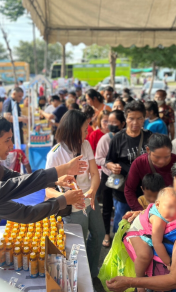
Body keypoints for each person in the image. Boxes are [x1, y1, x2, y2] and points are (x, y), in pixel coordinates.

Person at [0, 113, 88, 263]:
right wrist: (63, 198)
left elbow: (16, 178)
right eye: (7, 140)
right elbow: (26, 213)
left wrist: (56, 180)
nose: (12, 145)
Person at [106, 155, 176, 292]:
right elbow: (162, 209)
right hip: (154, 276)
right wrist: (146, 215)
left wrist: (130, 282)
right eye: (175, 181)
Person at [45, 110, 105, 279]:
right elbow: (47, 189)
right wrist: (67, 198)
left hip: (90, 201)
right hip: (73, 208)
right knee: (78, 245)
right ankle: (80, 279)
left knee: (99, 234)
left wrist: (92, 190)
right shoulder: (55, 154)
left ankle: (92, 274)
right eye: (85, 128)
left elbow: (94, 173)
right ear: (73, 129)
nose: (88, 131)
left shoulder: (85, 145)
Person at [106, 100, 152, 232]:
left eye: (139, 118)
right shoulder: (118, 138)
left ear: (144, 118)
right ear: (126, 118)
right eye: (131, 118)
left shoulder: (149, 137)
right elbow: (108, 160)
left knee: (143, 226)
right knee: (121, 225)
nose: (135, 122)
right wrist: (112, 166)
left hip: (145, 192)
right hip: (123, 191)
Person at [127, 187, 176, 292]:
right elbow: (157, 243)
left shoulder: (164, 212)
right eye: (170, 207)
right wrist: (168, 263)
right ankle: (139, 282)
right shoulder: (158, 221)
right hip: (137, 232)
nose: (173, 212)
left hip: (146, 232)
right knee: (145, 255)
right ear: (157, 205)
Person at [124, 133, 176, 211]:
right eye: (157, 157)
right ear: (148, 150)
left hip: (173, 209)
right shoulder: (139, 163)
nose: (161, 161)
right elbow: (129, 189)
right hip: (146, 208)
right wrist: (141, 212)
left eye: (167, 157)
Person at [95, 110, 126, 247]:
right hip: (108, 177)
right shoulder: (105, 139)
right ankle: (106, 234)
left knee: (122, 207)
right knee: (107, 207)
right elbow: (98, 158)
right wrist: (110, 165)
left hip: (124, 178)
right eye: (109, 122)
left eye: (114, 122)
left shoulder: (126, 138)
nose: (110, 125)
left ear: (122, 123)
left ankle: (121, 234)